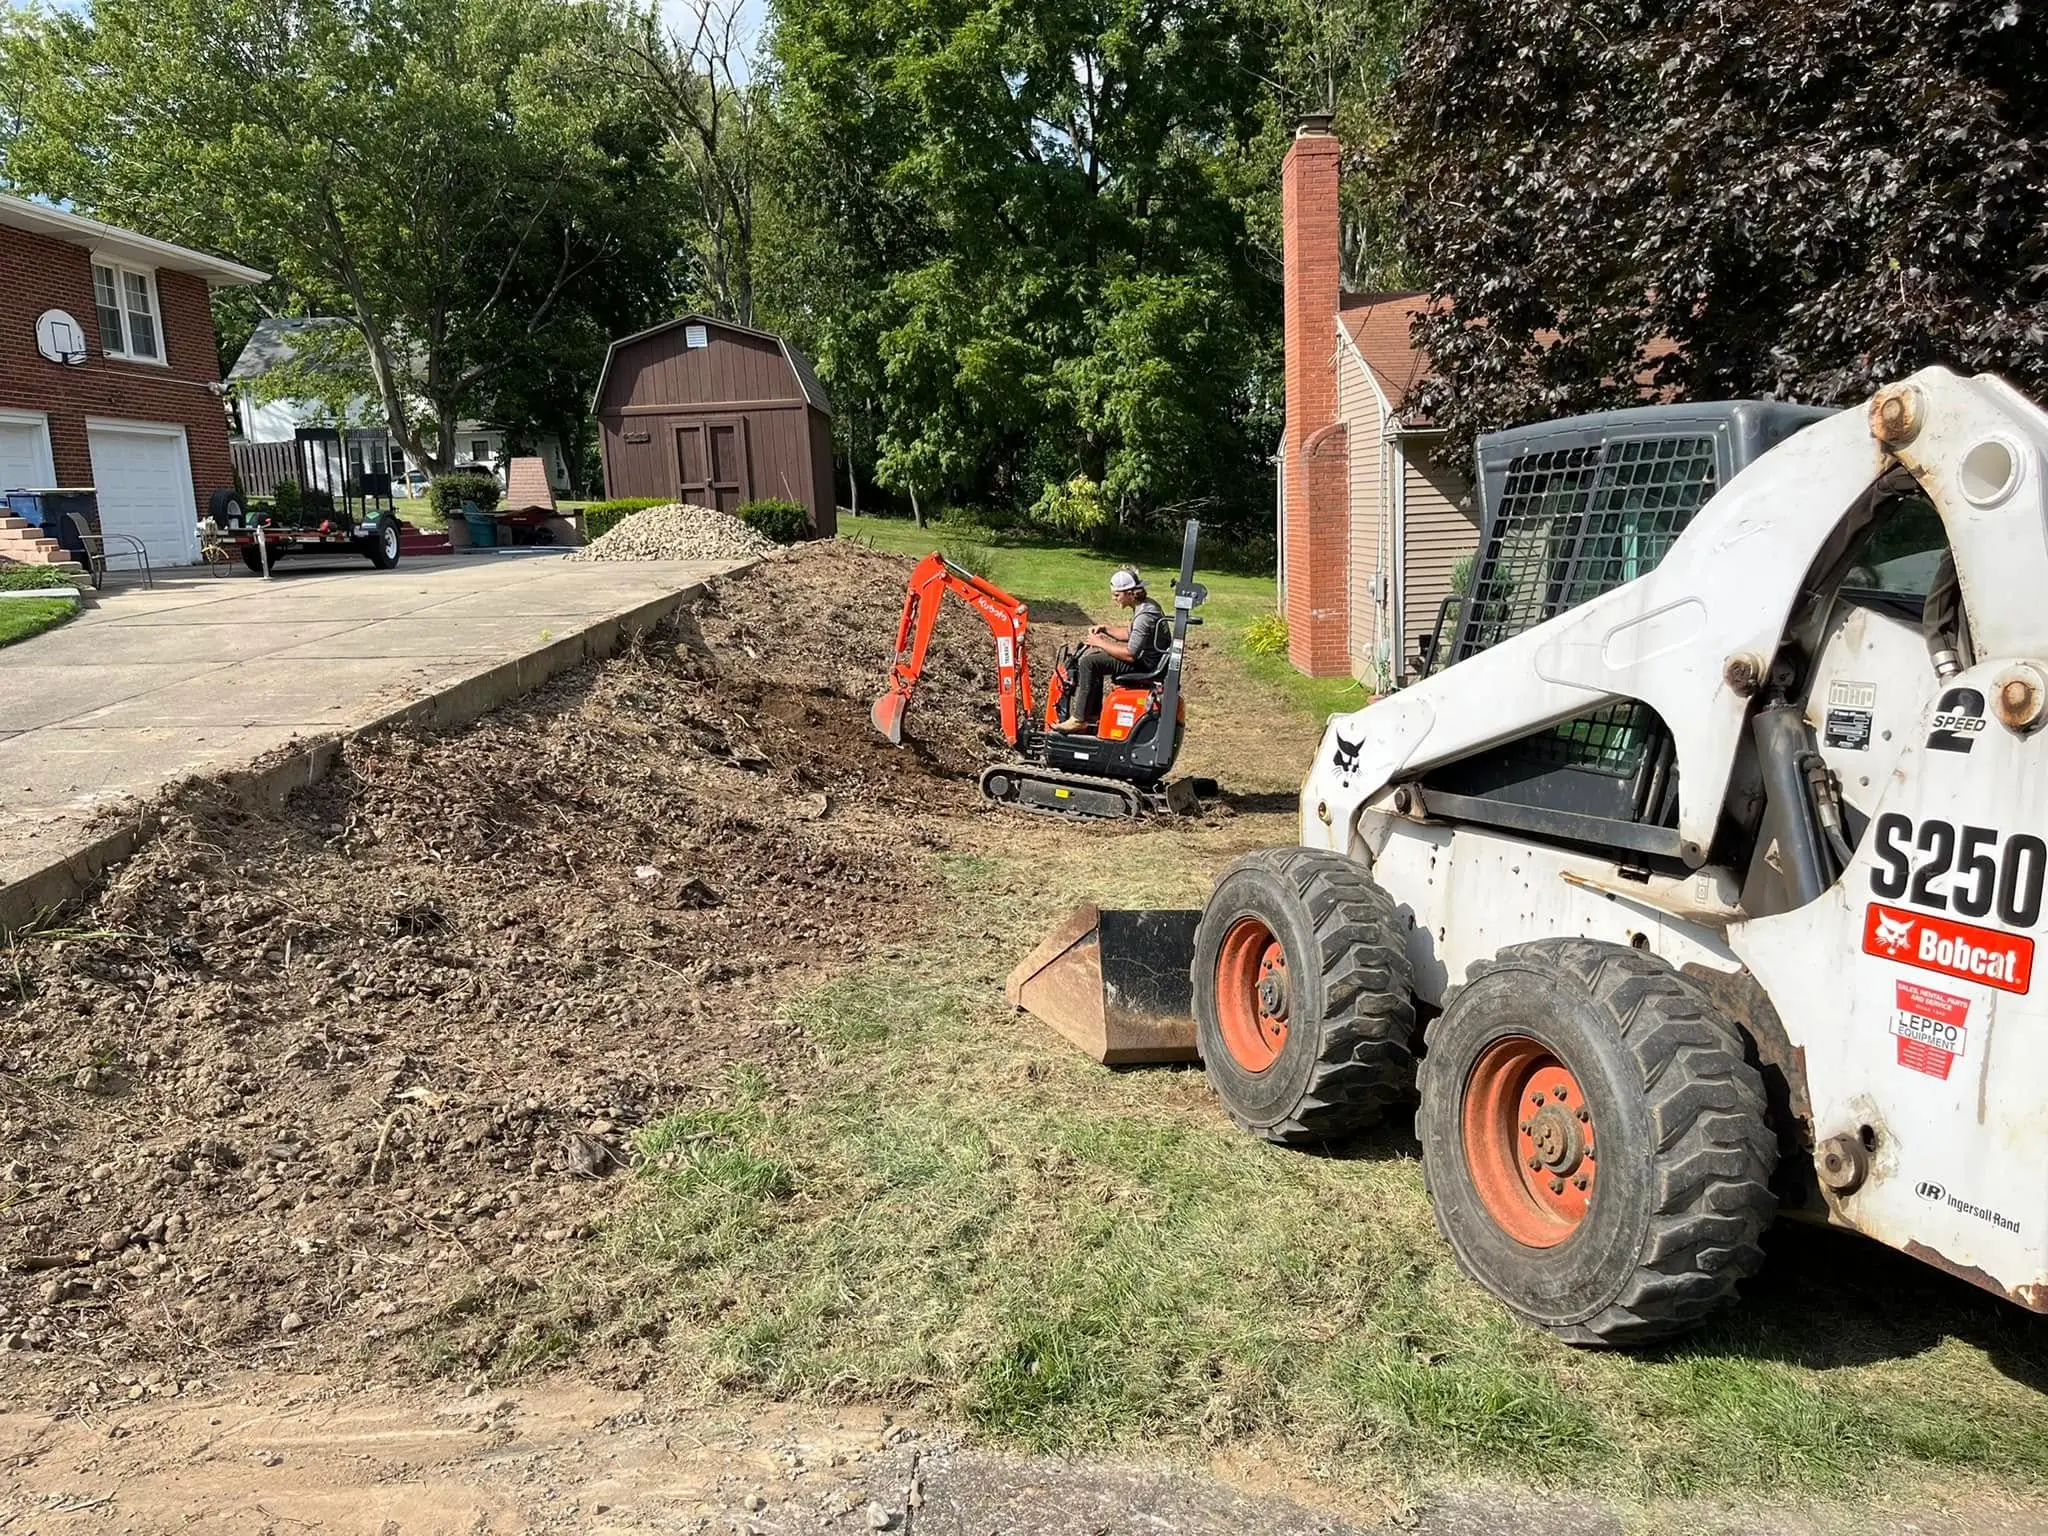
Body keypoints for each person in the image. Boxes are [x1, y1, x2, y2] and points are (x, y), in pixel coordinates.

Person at [1053, 566, 1166, 733]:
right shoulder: (1146, 606)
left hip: (1146, 664)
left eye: (1116, 595)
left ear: (1129, 593)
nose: (1114, 598)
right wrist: (1106, 629)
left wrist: (1100, 643)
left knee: (1089, 662)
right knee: (1096, 659)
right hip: (1148, 659)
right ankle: (1092, 715)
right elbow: (1130, 633)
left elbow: (1131, 655)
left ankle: (1079, 719)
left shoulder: (1144, 616)